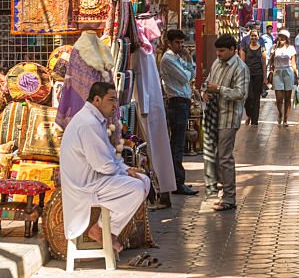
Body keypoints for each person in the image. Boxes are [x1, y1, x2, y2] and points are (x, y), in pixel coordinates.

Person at [60, 82, 150, 252]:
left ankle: (108, 230)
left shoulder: (94, 120)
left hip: (96, 179)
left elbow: (109, 157)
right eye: (111, 100)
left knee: (144, 181)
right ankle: (101, 229)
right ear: (97, 100)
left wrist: (126, 170)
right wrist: (124, 172)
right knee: (137, 187)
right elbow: (103, 165)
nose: (116, 105)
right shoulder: (88, 123)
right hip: (85, 185)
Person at [202, 34, 249, 212]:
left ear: (232, 50)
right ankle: (223, 190)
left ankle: (229, 197)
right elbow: (208, 82)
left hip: (229, 117)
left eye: (222, 51)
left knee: (225, 156)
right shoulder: (217, 63)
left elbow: (240, 93)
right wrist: (205, 91)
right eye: (217, 51)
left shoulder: (240, 68)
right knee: (215, 155)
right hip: (214, 114)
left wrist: (219, 90)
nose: (219, 54)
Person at [159, 29, 197, 196]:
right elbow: (185, 77)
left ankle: (177, 181)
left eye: (182, 42)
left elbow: (192, 73)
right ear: (169, 43)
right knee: (177, 145)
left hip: (183, 103)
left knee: (179, 143)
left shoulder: (177, 58)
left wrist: (189, 60)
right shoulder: (167, 59)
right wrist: (188, 69)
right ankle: (177, 182)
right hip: (177, 103)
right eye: (177, 43)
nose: (181, 46)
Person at [269, 30, 298, 126]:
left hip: (288, 72)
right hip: (277, 72)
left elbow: (293, 63)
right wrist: (271, 72)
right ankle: (280, 113)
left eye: (284, 37)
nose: (281, 38)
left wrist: (296, 76)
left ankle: (286, 118)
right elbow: (271, 62)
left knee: (288, 97)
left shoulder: (291, 48)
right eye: (280, 36)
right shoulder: (274, 48)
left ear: (287, 38)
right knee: (279, 98)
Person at [240, 29, 266, 126]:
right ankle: (249, 114)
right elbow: (242, 63)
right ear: (249, 37)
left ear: (258, 37)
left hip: (258, 75)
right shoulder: (245, 49)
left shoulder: (262, 49)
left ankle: (255, 120)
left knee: (256, 98)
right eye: (252, 36)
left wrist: (265, 77)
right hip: (247, 75)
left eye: (255, 36)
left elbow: (264, 64)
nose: (253, 38)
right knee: (249, 97)